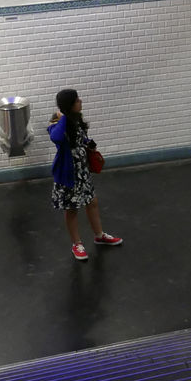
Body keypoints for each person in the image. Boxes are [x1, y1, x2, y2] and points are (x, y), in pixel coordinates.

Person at [48, 88, 123, 261]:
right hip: (68, 173)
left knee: (92, 201)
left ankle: (99, 235)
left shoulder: (76, 119)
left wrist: (88, 143)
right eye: (76, 100)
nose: (80, 101)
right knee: (72, 208)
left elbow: (79, 138)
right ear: (69, 105)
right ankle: (77, 244)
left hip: (82, 171)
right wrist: (64, 117)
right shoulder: (57, 121)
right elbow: (56, 138)